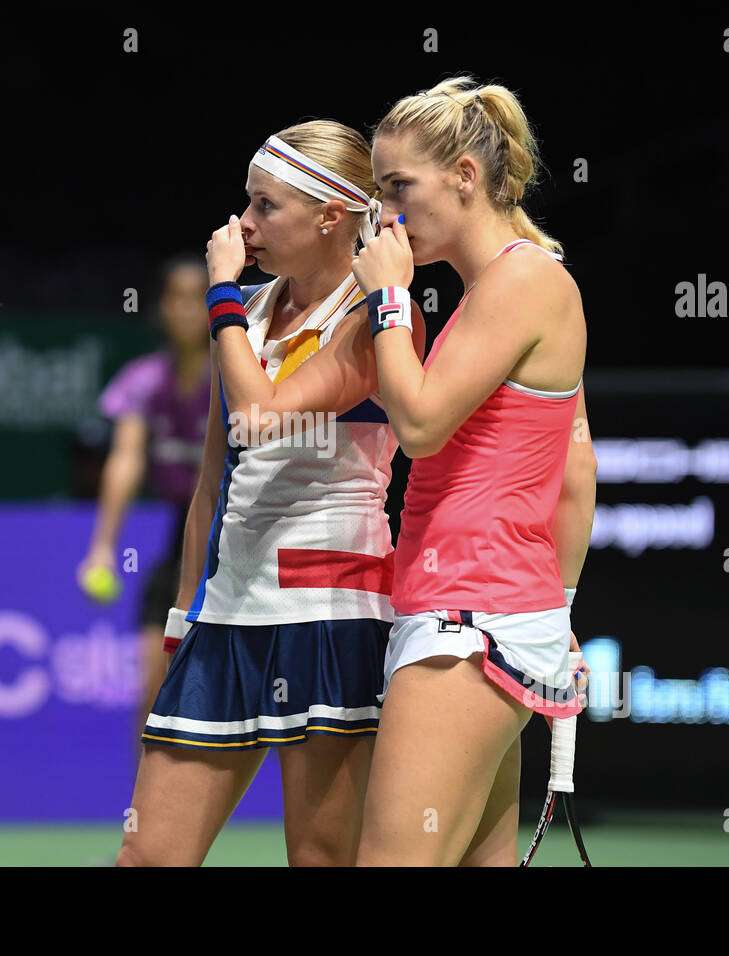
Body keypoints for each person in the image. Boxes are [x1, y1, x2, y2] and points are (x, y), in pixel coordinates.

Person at [116, 121, 427, 867]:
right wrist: (181, 613)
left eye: (266, 206)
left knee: (319, 858)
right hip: (227, 613)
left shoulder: (374, 317)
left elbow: (259, 418)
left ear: (329, 215)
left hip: (332, 616)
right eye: (246, 204)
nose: (243, 224)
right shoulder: (245, 316)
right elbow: (211, 482)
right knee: (147, 857)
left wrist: (220, 290)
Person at [350, 76, 598, 866]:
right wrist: (555, 613)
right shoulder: (514, 284)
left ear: (464, 175)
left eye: (399, 188)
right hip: (491, 616)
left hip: (468, 622)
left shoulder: (523, 283)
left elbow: (419, 426)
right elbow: (577, 466)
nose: (387, 213)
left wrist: (389, 299)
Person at [77, 254, 212, 753]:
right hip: (181, 539)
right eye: (174, 298)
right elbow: (126, 461)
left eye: (196, 298)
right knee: (152, 679)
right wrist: (102, 548)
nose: (184, 310)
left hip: (240, 537)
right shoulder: (143, 380)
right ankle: (145, 818)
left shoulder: (237, 372)